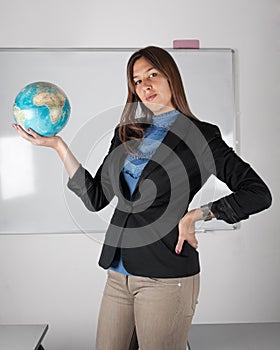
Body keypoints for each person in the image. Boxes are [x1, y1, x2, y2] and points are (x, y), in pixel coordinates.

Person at [13, 46, 272, 350]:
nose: (145, 86)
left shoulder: (202, 136)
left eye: (153, 74)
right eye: (136, 81)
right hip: (118, 274)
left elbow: (257, 193)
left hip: (165, 277)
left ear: (171, 77)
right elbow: (97, 198)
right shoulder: (127, 132)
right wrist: (59, 146)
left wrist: (198, 214)